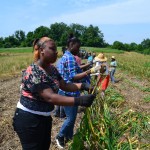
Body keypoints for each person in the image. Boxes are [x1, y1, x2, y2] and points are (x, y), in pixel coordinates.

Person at [12, 37, 97, 150]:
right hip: (29, 119)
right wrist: (80, 100)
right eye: (52, 49)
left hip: (44, 118)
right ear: (42, 50)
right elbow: (50, 97)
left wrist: (83, 86)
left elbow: (65, 85)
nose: (56, 52)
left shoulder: (52, 69)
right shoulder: (33, 71)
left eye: (56, 49)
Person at [56, 36, 101, 148]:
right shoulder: (70, 57)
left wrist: (89, 66)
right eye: (78, 47)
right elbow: (73, 76)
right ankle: (60, 136)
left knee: (72, 117)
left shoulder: (68, 56)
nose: (79, 50)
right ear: (72, 45)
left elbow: (77, 68)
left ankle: (69, 137)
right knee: (71, 118)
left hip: (68, 90)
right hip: (68, 91)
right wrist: (90, 71)